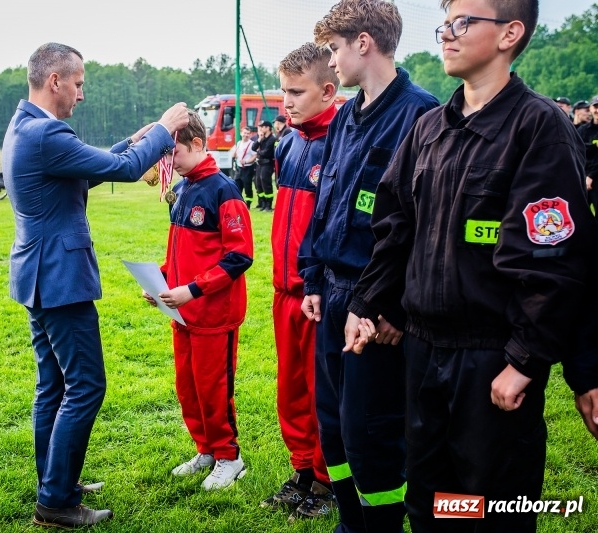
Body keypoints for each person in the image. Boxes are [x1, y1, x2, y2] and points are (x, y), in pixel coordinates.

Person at [343, 1, 595, 531]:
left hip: (492, 360)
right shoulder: (429, 128)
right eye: (445, 23)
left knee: (490, 505)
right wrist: (370, 303)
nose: (447, 35)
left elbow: (555, 259)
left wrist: (525, 360)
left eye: (463, 23)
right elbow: (393, 227)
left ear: (510, 33)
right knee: (431, 502)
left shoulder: (538, 127)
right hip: (422, 351)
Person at [1, 42, 189, 528]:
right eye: (79, 83)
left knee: (54, 386)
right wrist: (165, 131)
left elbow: (100, 160)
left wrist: (137, 138)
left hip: (38, 276)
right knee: (85, 386)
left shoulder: (27, 126)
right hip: (61, 281)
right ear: (55, 81)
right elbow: (124, 171)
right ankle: (57, 500)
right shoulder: (46, 134)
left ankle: (55, 481)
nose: (81, 94)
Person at [300, 1, 439, 531]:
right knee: (333, 424)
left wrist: (394, 307)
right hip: (332, 297)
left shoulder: (420, 115)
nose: (330, 61)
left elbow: (422, 228)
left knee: (373, 430)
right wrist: (313, 277)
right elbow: (326, 204)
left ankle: (380, 526)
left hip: (375, 305)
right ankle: (350, 521)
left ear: (364, 43)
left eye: (334, 49)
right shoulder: (344, 120)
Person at [143, 111, 254, 491]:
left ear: (196, 145)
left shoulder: (224, 190)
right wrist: (159, 280)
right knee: (187, 386)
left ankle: (229, 456)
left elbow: (239, 256)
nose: (167, 161)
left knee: (212, 387)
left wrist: (191, 289)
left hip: (214, 314)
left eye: (171, 152)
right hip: (182, 312)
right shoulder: (185, 187)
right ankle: (206, 449)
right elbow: (183, 253)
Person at [261, 42, 340, 522]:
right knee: (290, 388)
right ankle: (302, 472)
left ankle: (331, 480)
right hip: (283, 291)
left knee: (322, 391)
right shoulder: (288, 142)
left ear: (328, 91)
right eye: (282, 92)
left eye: (296, 92)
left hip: (321, 293)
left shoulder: (343, 140)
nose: (286, 103)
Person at [578, 95, 598, 215]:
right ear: (590, 109)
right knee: (580, 215)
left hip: (595, 177)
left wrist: (591, 176)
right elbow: (577, 152)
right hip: (583, 178)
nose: (597, 111)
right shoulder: (583, 130)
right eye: (595, 107)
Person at [251, 120, 277, 211]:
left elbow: (266, 152)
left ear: (267, 128)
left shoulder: (272, 139)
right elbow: (253, 148)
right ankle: (262, 203)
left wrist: (258, 153)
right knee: (258, 183)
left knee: (266, 183)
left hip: (267, 164)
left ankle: (269, 205)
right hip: (260, 164)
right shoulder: (262, 138)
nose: (260, 129)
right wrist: (259, 140)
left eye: (262, 127)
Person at [230, 124, 257, 208]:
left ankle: (248, 204)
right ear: (241, 133)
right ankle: (238, 202)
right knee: (236, 185)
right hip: (239, 168)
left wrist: (246, 161)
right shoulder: (239, 143)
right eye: (245, 133)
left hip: (248, 168)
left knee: (247, 186)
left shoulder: (252, 144)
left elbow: (254, 155)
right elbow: (235, 153)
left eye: (248, 133)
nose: (246, 135)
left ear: (250, 134)